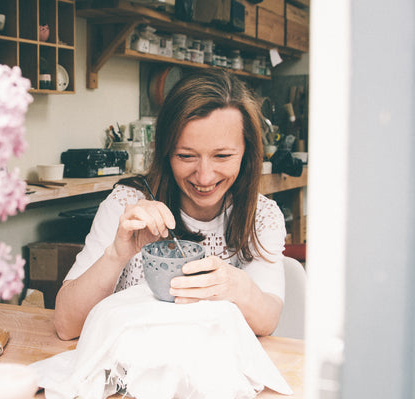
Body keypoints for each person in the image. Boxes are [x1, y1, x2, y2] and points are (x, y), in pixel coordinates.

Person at [54, 69, 286, 340]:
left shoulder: (262, 215)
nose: (204, 176)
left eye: (222, 155)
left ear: (247, 153)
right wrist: (117, 254)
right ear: (166, 153)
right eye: (186, 156)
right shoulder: (126, 203)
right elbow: (66, 326)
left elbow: (267, 321)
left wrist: (233, 284)